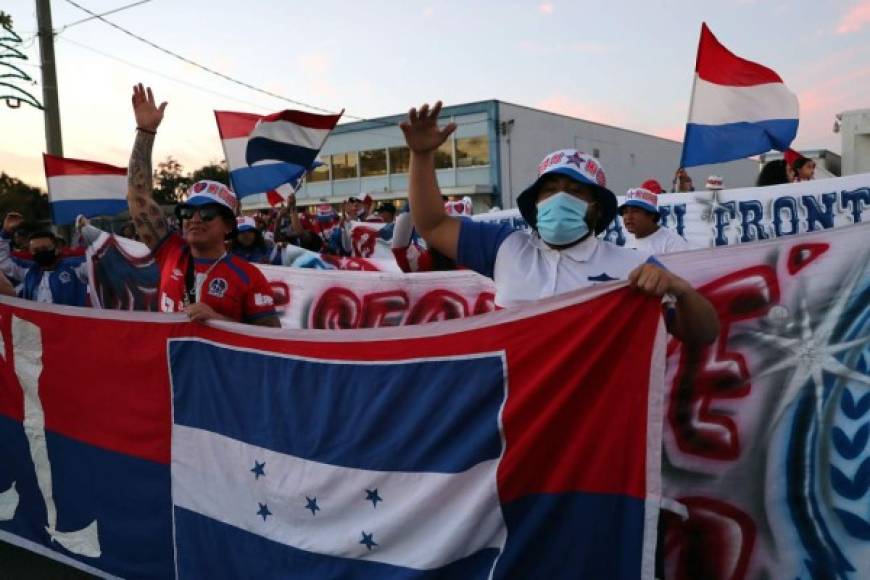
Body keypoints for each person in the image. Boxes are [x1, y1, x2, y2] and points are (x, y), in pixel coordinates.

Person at [400, 101, 718, 344]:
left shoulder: (632, 267)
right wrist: (421, 156)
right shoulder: (505, 246)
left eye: (575, 191)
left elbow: (704, 334)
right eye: (550, 190)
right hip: (514, 419)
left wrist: (683, 291)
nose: (560, 197)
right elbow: (432, 224)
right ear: (535, 204)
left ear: (596, 208)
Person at [125, 83, 279, 327]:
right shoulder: (170, 252)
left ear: (228, 225)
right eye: (188, 212)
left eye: (207, 213)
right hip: (171, 364)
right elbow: (138, 198)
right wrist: (145, 133)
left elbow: (270, 338)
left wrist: (217, 320)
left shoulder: (248, 276)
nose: (194, 219)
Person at [0, 212, 89, 306]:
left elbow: (100, 259)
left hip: (69, 319)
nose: (41, 252)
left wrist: (88, 230)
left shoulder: (76, 267)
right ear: (30, 252)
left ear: (57, 249)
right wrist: (6, 232)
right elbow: (2, 260)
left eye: (45, 249)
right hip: (35, 320)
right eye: (36, 250)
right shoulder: (28, 271)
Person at [619, 188, 690, 255]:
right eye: (625, 212)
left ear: (651, 215)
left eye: (635, 211)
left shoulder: (672, 243)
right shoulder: (627, 242)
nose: (628, 217)